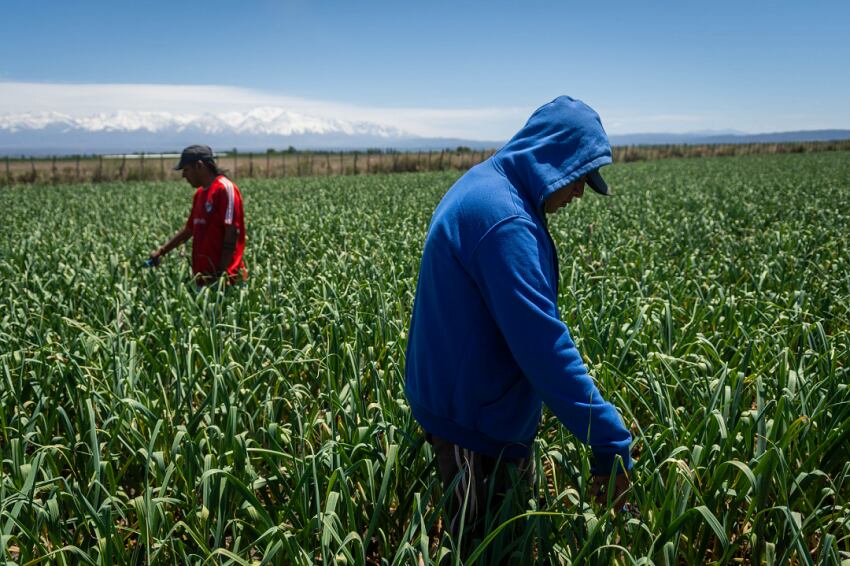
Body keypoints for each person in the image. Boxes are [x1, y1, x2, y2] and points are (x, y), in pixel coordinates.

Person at [404, 96, 632, 555]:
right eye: (578, 178)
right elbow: (542, 345)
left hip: (473, 405)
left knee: (496, 540)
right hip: (472, 421)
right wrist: (608, 438)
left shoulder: (492, 187)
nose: (579, 194)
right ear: (551, 160)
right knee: (483, 548)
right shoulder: (503, 219)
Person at [148, 145, 247, 286]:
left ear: (199, 166)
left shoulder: (224, 189)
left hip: (224, 280)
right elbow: (189, 230)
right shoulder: (200, 194)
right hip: (203, 279)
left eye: (186, 169)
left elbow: (232, 232)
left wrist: (221, 273)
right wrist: (162, 251)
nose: (183, 175)